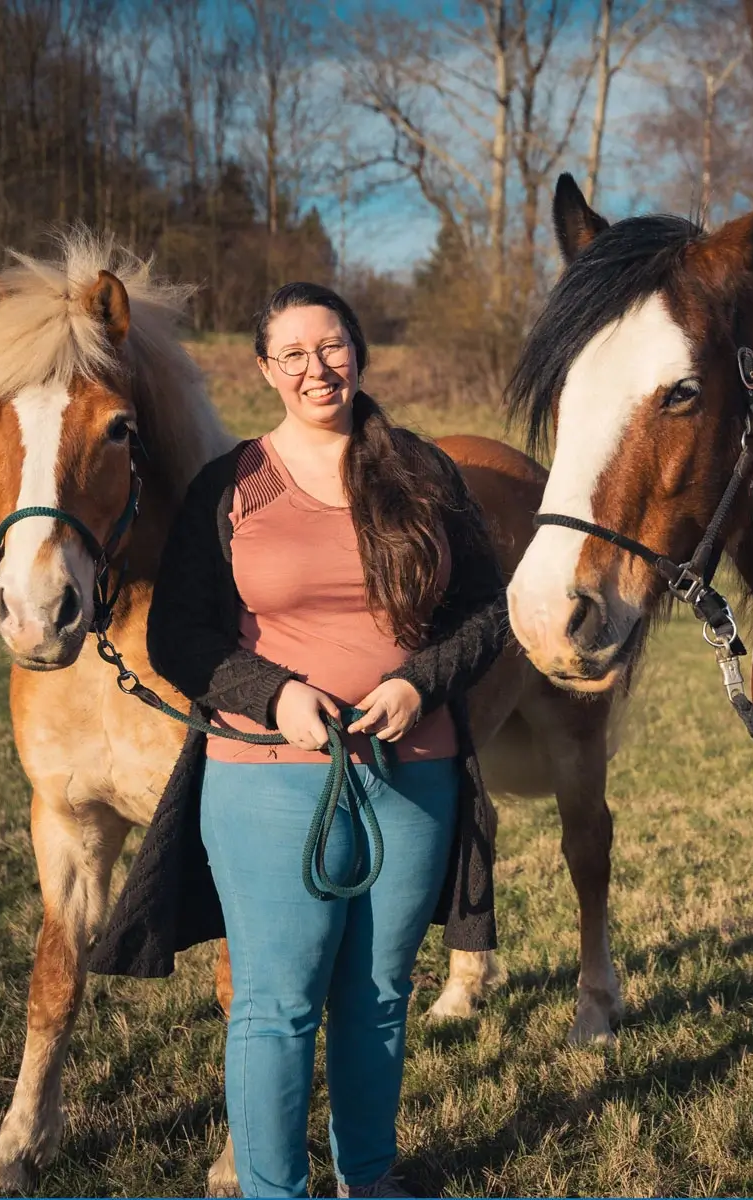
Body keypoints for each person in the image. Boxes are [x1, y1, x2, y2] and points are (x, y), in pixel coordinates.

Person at [101, 282, 507, 1199]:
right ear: (265, 370)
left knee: (379, 996)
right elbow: (179, 637)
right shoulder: (230, 484)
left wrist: (419, 681)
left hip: (415, 775)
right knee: (277, 1004)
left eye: (331, 347)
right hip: (269, 781)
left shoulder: (423, 472)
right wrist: (274, 694)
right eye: (292, 354)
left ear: (357, 352)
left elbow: (489, 610)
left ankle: (368, 1177)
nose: (316, 368)